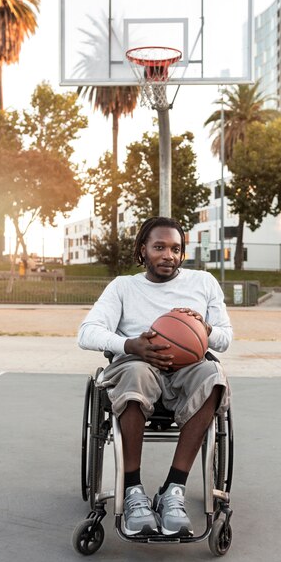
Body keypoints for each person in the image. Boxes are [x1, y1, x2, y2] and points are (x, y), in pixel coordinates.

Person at [78, 216, 232, 538]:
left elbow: (225, 338)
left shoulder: (203, 283)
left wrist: (205, 330)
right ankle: (133, 491)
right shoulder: (123, 286)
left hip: (186, 370)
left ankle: (173, 489)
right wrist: (130, 345)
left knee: (214, 374)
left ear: (183, 254)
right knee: (135, 371)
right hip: (136, 365)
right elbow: (87, 332)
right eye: (159, 247)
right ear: (142, 251)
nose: (168, 255)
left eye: (176, 249)